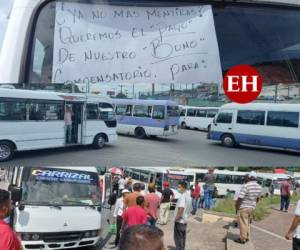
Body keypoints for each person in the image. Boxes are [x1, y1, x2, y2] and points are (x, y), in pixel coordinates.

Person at [234, 172, 262, 244]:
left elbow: (240, 198)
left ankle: (242, 238)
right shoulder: (259, 187)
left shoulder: (246, 186)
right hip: (251, 207)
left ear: (249, 177)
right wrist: (253, 205)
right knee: (247, 222)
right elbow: (258, 198)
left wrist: (237, 206)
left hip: (243, 207)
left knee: (243, 223)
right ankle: (247, 236)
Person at [174, 181, 192, 250]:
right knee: (182, 239)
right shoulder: (188, 196)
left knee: (178, 239)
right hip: (185, 221)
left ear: (183, 187)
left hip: (180, 221)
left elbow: (181, 208)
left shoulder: (182, 196)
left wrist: (176, 218)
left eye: (179, 187)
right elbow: (189, 209)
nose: (178, 188)